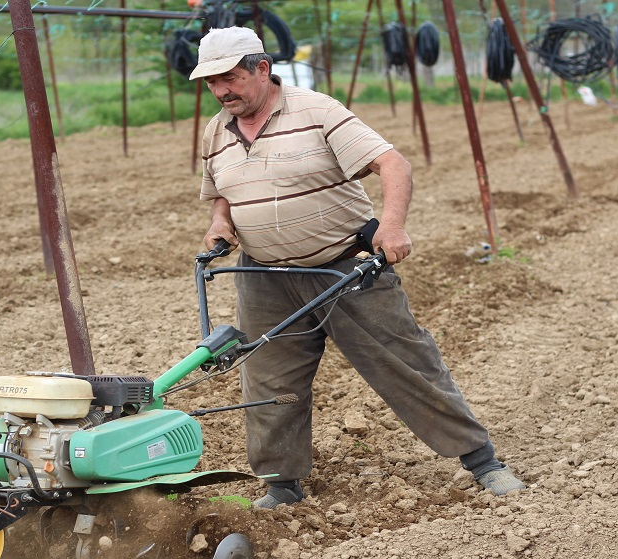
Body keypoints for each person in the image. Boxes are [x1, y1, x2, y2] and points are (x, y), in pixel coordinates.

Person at [189, 27, 526, 508]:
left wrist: (391, 228)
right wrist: (221, 222)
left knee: (406, 364)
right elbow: (222, 191)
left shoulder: (316, 111)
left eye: (230, 78)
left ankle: (482, 461)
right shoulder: (216, 130)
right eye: (212, 83)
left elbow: (393, 164)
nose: (222, 91)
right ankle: (282, 484)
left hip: (344, 269)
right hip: (265, 276)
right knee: (268, 381)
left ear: (262, 69)